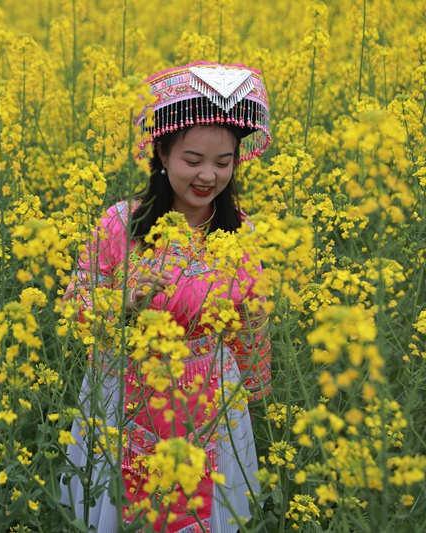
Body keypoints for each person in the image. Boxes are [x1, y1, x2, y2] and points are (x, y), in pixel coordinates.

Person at [60, 62, 273, 532]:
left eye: (224, 162)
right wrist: (124, 304)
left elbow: (252, 320)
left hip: (210, 396)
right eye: (193, 160)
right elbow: (76, 305)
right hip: (129, 395)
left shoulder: (243, 232)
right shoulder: (121, 223)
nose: (208, 176)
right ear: (160, 151)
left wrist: (257, 392)